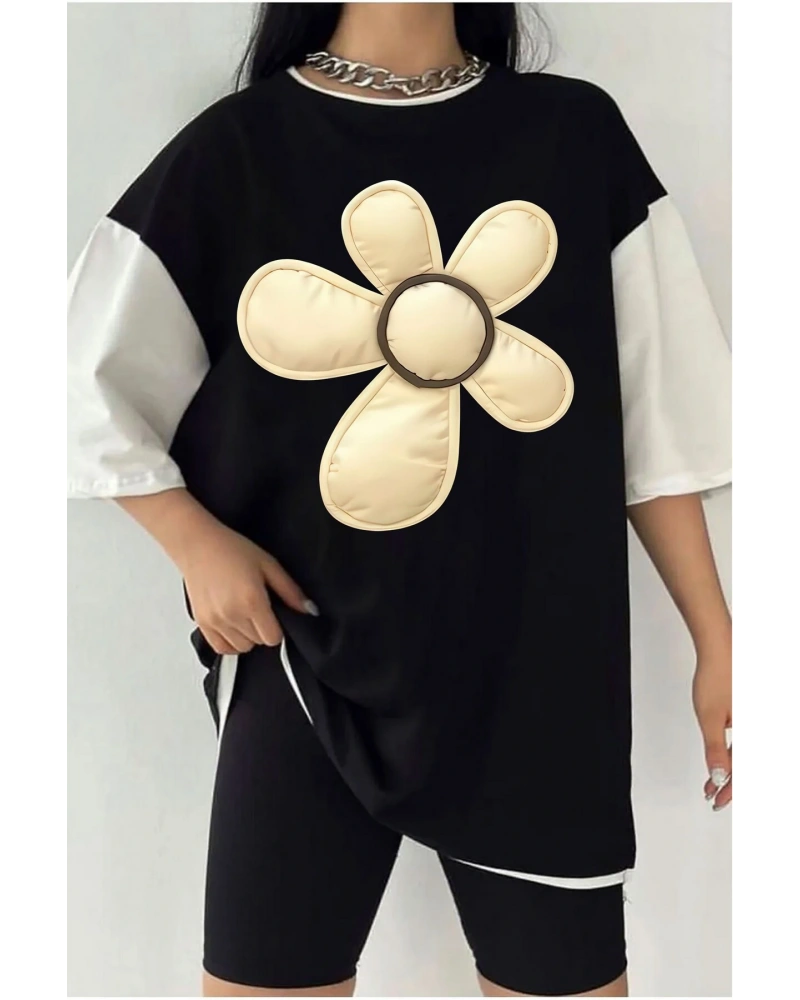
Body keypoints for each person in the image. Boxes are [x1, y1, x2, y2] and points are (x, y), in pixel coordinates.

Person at [64, 3, 733, 996]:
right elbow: (75, 377)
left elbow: (656, 416)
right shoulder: (239, 150)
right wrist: (193, 541)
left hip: (537, 674)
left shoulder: (573, 136)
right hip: (305, 656)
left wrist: (717, 636)